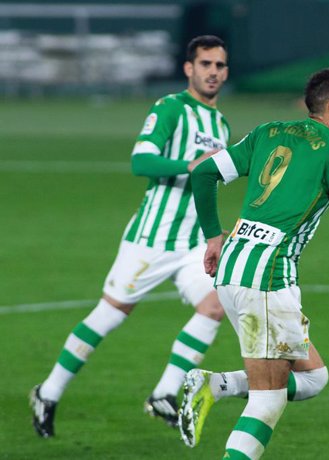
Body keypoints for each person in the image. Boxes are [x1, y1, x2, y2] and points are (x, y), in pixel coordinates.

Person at [181, 67, 329, 458]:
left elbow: (203, 173)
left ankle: (216, 385)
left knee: (314, 377)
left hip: (234, 269)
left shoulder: (268, 132)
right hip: (267, 280)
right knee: (267, 402)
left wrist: (214, 238)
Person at [29, 35, 231, 438]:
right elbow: (141, 160)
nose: (213, 72)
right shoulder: (171, 108)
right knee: (108, 316)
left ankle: (164, 394)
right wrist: (190, 164)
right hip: (150, 239)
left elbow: (208, 183)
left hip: (192, 242)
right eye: (205, 64)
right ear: (188, 68)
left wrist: (214, 232)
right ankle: (47, 392)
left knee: (215, 304)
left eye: (220, 65)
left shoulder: (221, 124)